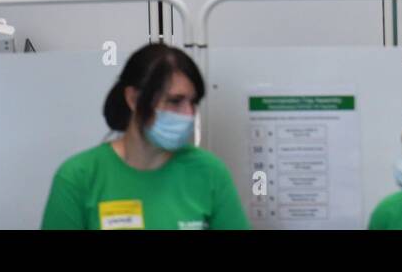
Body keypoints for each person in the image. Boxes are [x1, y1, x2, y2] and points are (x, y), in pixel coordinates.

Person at [41, 43, 249, 230]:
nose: (189, 115)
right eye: (175, 101)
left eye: (193, 103)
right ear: (133, 98)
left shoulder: (210, 172)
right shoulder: (79, 177)